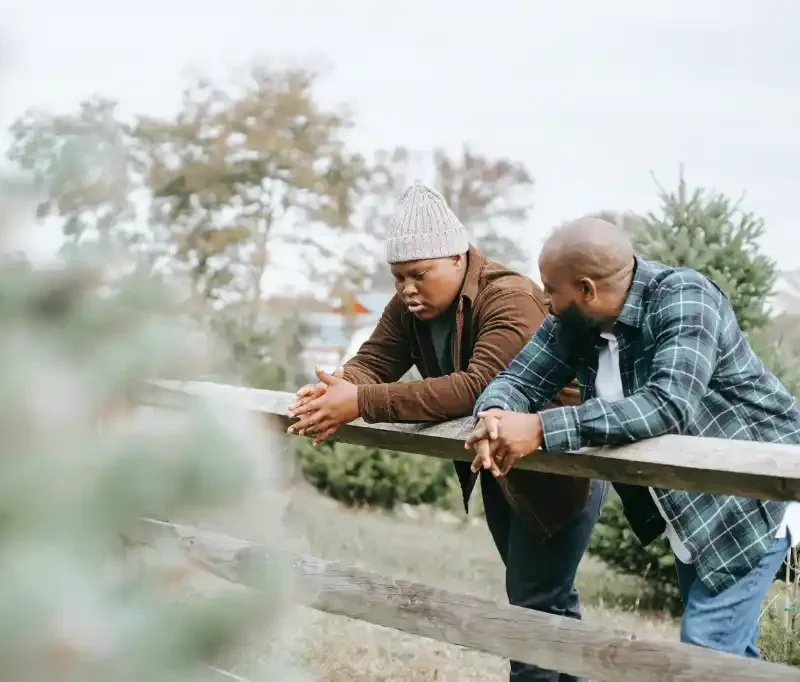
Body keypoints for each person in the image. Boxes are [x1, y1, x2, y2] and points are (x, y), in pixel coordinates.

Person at [287, 184, 608, 682]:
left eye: (420, 274)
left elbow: (480, 386)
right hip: (504, 468)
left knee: (533, 610)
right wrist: (336, 389)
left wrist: (360, 402)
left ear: (458, 258)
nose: (407, 289)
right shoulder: (408, 308)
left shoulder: (511, 297)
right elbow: (375, 361)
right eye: (398, 277)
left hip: (560, 468)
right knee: (544, 605)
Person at [468, 215, 800, 658]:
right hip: (691, 505)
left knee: (706, 649)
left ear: (587, 290)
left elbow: (667, 404)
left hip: (752, 494)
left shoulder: (684, 296)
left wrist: (543, 428)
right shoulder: (576, 323)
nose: (545, 301)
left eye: (551, 290)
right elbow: (520, 379)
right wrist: (493, 415)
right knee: (732, 655)